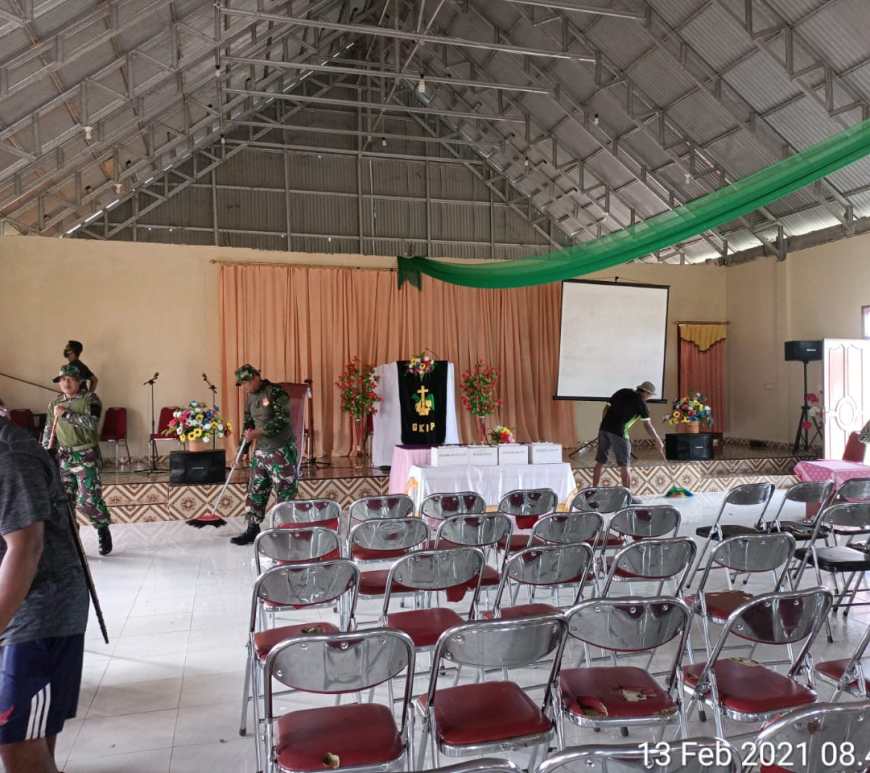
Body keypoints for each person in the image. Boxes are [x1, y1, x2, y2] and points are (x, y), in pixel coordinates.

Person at [0, 397, 90, 773]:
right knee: (31, 734)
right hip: (21, 606)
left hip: (37, 612)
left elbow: (26, 549)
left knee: (17, 743)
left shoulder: (9, 455)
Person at [41, 364, 112, 556]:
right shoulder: (54, 403)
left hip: (86, 455)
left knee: (89, 500)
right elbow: (49, 429)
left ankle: (102, 528)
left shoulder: (91, 399)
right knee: (64, 502)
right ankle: (73, 542)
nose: (66, 383)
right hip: (64, 457)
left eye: (70, 379)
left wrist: (66, 414)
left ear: (79, 381)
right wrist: (45, 451)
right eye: (62, 379)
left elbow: (92, 423)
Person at [230, 364, 298, 546]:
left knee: (285, 491)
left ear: (256, 377)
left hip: (281, 449)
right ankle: (252, 529)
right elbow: (248, 425)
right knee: (256, 489)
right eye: (242, 384)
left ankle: (285, 530)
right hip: (261, 451)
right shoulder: (250, 397)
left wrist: (257, 433)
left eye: (246, 382)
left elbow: (282, 420)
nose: (245, 387)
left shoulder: (276, 392)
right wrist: (242, 450)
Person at [593, 381, 666, 489]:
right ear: (646, 393)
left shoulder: (622, 391)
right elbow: (648, 425)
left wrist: (605, 423)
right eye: (650, 395)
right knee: (625, 465)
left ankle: (594, 489)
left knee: (600, 461)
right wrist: (657, 440)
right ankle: (628, 494)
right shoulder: (642, 404)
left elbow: (606, 408)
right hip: (619, 432)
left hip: (604, 429)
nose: (649, 398)